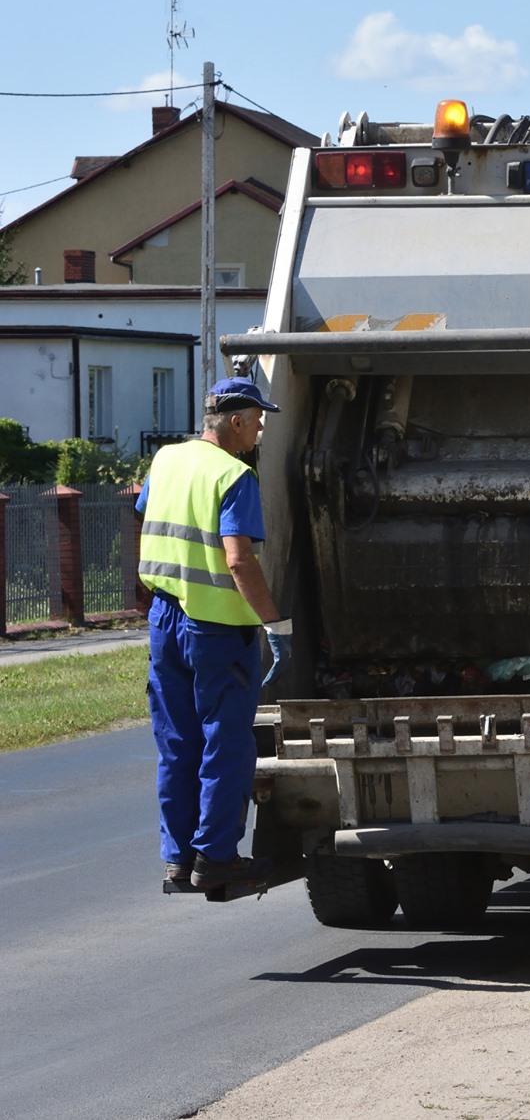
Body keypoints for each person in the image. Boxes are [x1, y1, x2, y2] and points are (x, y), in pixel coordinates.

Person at [140, 377, 293, 895]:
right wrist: (276, 625)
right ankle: (218, 858)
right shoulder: (234, 476)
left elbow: (150, 519)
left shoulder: (166, 460)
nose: (260, 429)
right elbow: (238, 559)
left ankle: (178, 861)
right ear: (234, 421)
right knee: (225, 745)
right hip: (218, 630)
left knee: (177, 743)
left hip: (164, 618)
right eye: (256, 419)